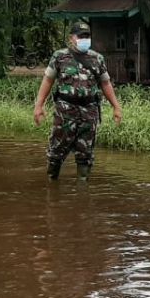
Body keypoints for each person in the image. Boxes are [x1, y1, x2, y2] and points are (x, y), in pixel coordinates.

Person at [33, 21, 123, 180]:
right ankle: (51, 183)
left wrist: (116, 107)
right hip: (65, 112)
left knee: (85, 153)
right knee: (56, 151)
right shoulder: (59, 57)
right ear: (71, 38)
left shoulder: (97, 59)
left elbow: (105, 83)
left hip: (89, 112)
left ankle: (83, 188)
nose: (84, 39)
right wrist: (39, 105)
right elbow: (48, 80)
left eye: (87, 36)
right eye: (81, 36)